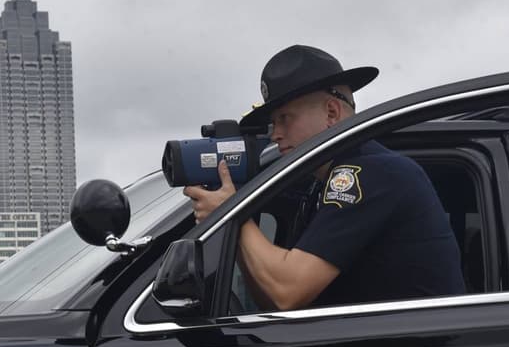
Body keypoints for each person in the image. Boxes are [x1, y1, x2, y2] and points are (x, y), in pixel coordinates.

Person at [184, 45, 465, 311]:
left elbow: (286, 293)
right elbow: (270, 299)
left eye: (285, 118)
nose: (274, 134)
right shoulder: (322, 184)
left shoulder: (372, 172)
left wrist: (233, 213)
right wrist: (236, 225)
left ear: (331, 112)